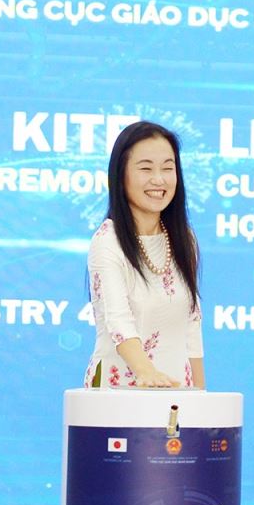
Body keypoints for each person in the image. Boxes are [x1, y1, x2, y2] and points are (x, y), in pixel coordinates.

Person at [85, 121, 204, 389]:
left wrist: (200, 395)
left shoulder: (184, 238)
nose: (159, 179)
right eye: (146, 168)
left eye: (168, 168)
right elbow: (118, 321)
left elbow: (192, 326)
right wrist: (147, 374)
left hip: (177, 391)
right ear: (121, 176)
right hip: (120, 390)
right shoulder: (107, 241)